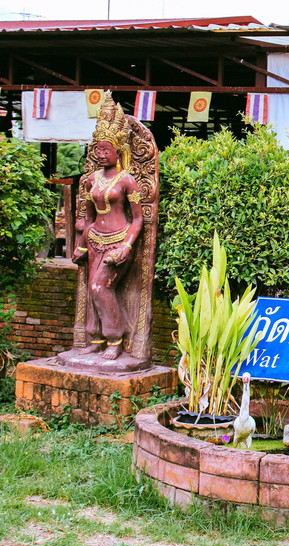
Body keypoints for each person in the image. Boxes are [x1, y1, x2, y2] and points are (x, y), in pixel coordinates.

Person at [71, 93, 143, 360]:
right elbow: (87, 220)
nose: (101, 155)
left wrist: (126, 246)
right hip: (94, 240)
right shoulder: (90, 180)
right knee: (91, 291)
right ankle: (96, 337)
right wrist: (80, 245)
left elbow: (138, 219)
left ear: (118, 151)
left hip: (119, 240)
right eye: (97, 150)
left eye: (106, 150)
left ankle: (115, 338)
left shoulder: (127, 181)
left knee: (100, 287)